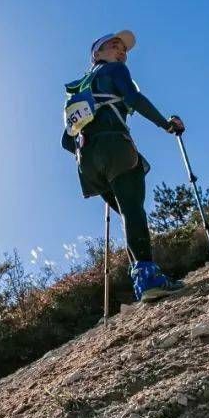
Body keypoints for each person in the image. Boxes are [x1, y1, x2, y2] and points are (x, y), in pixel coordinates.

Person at [61, 30, 186, 302]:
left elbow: (66, 141)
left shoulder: (79, 89)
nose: (122, 52)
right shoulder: (115, 71)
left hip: (87, 163)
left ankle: (143, 277)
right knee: (133, 210)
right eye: (114, 46)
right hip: (116, 147)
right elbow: (134, 99)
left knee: (129, 214)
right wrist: (166, 124)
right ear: (97, 53)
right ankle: (149, 280)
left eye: (124, 49)